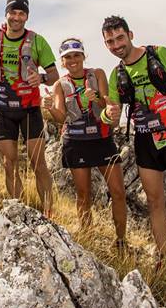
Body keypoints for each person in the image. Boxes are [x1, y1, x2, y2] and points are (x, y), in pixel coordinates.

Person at [101, 15, 166, 261]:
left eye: (120, 38)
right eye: (110, 41)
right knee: (155, 201)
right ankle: (163, 258)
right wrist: (107, 113)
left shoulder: (159, 54)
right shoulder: (117, 75)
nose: (116, 45)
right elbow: (113, 118)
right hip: (145, 141)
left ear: (130, 35)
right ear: (106, 45)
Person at [0, 0, 58, 215]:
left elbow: (54, 74)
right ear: (6, 14)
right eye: (13, 12)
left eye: (21, 13)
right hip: (3, 109)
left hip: (29, 109)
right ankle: (18, 213)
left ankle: (50, 216)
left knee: (38, 164)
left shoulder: (37, 41)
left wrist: (40, 78)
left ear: (26, 17)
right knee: (9, 164)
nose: (16, 17)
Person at [44, 38, 128, 250]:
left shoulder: (97, 74)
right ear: (63, 61)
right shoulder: (59, 85)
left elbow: (106, 104)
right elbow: (61, 117)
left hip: (101, 139)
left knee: (118, 191)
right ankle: (88, 239)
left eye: (76, 55)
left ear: (83, 56)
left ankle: (121, 241)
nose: (73, 60)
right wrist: (48, 108)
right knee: (83, 194)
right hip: (75, 141)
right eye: (68, 57)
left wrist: (96, 96)